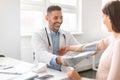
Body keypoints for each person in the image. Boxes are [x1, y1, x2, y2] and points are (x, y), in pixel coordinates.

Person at [58, 0, 120, 80]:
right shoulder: (113, 39)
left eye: (103, 15)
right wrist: (68, 48)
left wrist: (79, 79)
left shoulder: (119, 44)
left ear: (110, 17)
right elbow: (88, 47)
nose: (102, 20)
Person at [31, 5, 81, 71]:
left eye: (61, 17)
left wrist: (87, 49)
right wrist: (59, 59)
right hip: (44, 71)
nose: (60, 21)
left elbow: (78, 47)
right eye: (55, 18)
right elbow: (41, 54)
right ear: (47, 18)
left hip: (62, 71)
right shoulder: (38, 34)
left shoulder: (66, 34)